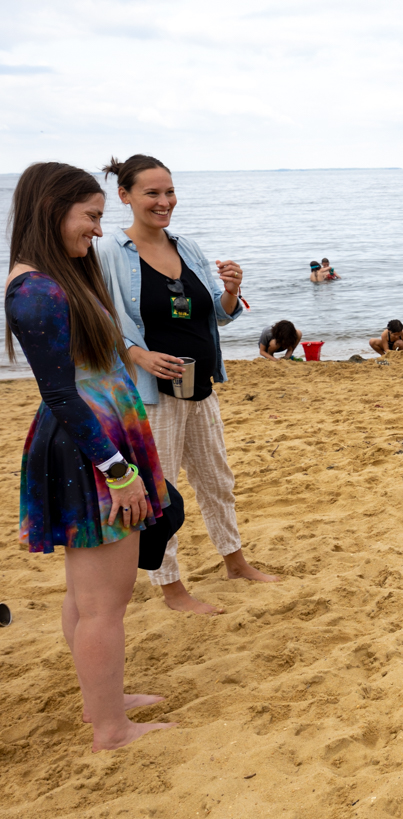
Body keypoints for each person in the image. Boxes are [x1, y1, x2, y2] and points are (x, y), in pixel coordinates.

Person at [5, 162, 176, 750]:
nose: (99, 231)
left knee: (86, 594)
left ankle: (101, 700)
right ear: (53, 209)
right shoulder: (36, 290)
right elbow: (59, 394)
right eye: (91, 217)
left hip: (98, 438)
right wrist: (119, 471)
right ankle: (111, 728)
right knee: (105, 601)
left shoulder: (58, 278)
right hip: (91, 448)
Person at [96, 154, 279, 616]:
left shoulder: (187, 246)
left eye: (169, 192)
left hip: (201, 386)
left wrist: (232, 293)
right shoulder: (110, 254)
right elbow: (99, 320)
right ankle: (172, 588)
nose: (164, 202)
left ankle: (235, 562)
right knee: (162, 492)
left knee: (217, 480)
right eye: (152, 193)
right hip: (151, 396)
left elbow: (212, 313)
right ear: (125, 196)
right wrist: (138, 355)